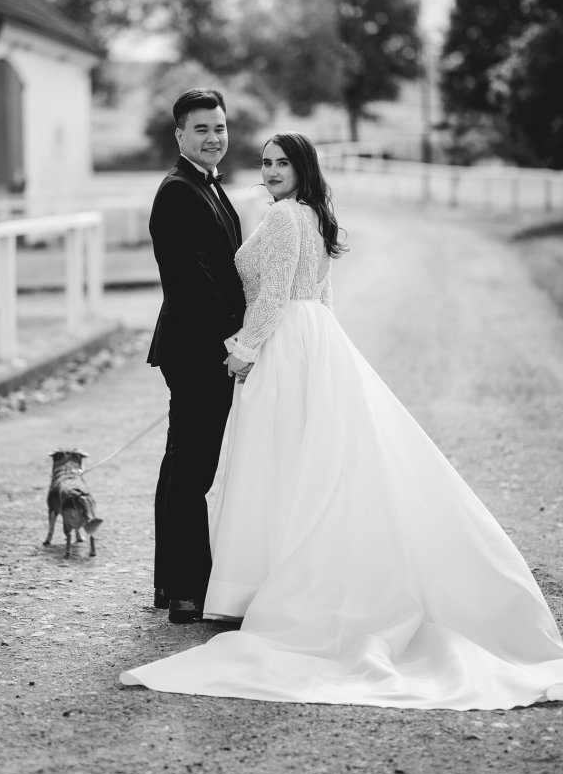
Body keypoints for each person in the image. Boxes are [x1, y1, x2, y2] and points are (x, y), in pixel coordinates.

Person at [122, 132, 563, 708]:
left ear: (303, 168)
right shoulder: (312, 214)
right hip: (314, 338)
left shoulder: (285, 218)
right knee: (309, 460)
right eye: (267, 162)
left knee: (277, 461)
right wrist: (324, 349)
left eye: (283, 163)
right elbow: (323, 297)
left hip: (284, 344)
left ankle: (263, 585)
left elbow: (273, 294)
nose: (272, 171)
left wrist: (245, 350)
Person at [147, 88, 246, 624]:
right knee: (192, 469)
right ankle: (188, 592)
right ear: (180, 135)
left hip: (201, 345)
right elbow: (192, 282)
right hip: (196, 349)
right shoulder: (177, 193)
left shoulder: (206, 185)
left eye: (220, 128)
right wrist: (236, 340)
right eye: (202, 129)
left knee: (181, 463)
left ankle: (172, 584)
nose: (213, 138)